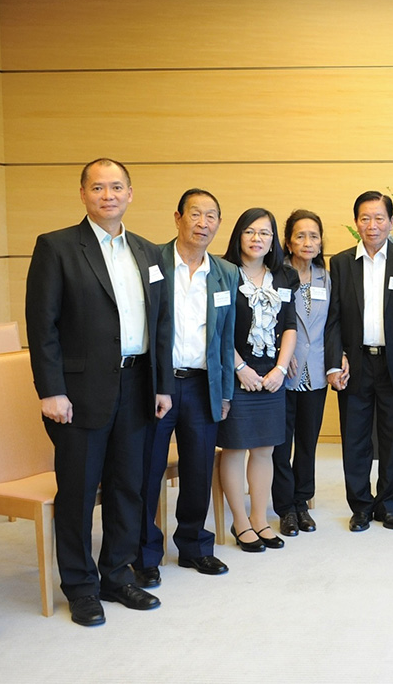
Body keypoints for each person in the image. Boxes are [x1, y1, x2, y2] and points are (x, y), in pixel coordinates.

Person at [25, 158, 172, 626]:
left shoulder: (148, 253)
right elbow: (42, 325)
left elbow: (160, 325)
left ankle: (115, 574)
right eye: (98, 187)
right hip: (79, 391)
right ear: (83, 194)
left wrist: (162, 385)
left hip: (138, 383)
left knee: (129, 486)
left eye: (116, 187)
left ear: (131, 193)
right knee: (79, 490)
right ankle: (81, 586)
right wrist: (51, 390)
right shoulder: (57, 247)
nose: (108, 195)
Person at [134, 188, 238, 587]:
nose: (203, 223)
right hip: (158, 385)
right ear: (177, 217)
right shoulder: (152, 262)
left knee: (197, 469)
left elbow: (226, 340)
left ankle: (194, 546)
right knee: (148, 469)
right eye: (196, 214)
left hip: (202, 386)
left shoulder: (225, 273)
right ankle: (145, 553)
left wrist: (225, 392)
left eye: (212, 216)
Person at [325, 191, 393, 532]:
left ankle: (389, 505)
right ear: (356, 223)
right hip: (356, 362)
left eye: (379, 217)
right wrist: (335, 362)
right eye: (365, 218)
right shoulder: (339, 263)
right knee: (355, 436)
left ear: (391, 222)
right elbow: (332, 317)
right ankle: (361, 506)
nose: (372, 225)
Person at [218, 208, 298, 552]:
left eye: (265, 233)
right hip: (236, 371)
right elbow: (217, 329)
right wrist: (240, 369)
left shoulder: (283, 276)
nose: (257, 239)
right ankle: (239, 521)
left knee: (265, 449)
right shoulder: (222, 274)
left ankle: (261, 519)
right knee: (234, 449)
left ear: (273, 240)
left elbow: (290, 326)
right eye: (250, 231)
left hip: (271, 375)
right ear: (238, 235)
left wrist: (280, 369)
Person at [272, 209, 330, 537]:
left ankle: (302, 501)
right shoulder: (277, 275)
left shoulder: (326, 276)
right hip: (285, 369)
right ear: (288, 242)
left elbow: (332, 323)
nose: (308, 242)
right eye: (300, 236)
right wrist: (283, 353)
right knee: (282, 443)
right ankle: (284, 508)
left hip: (316, 370)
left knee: (308, 441)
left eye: (314, 236)